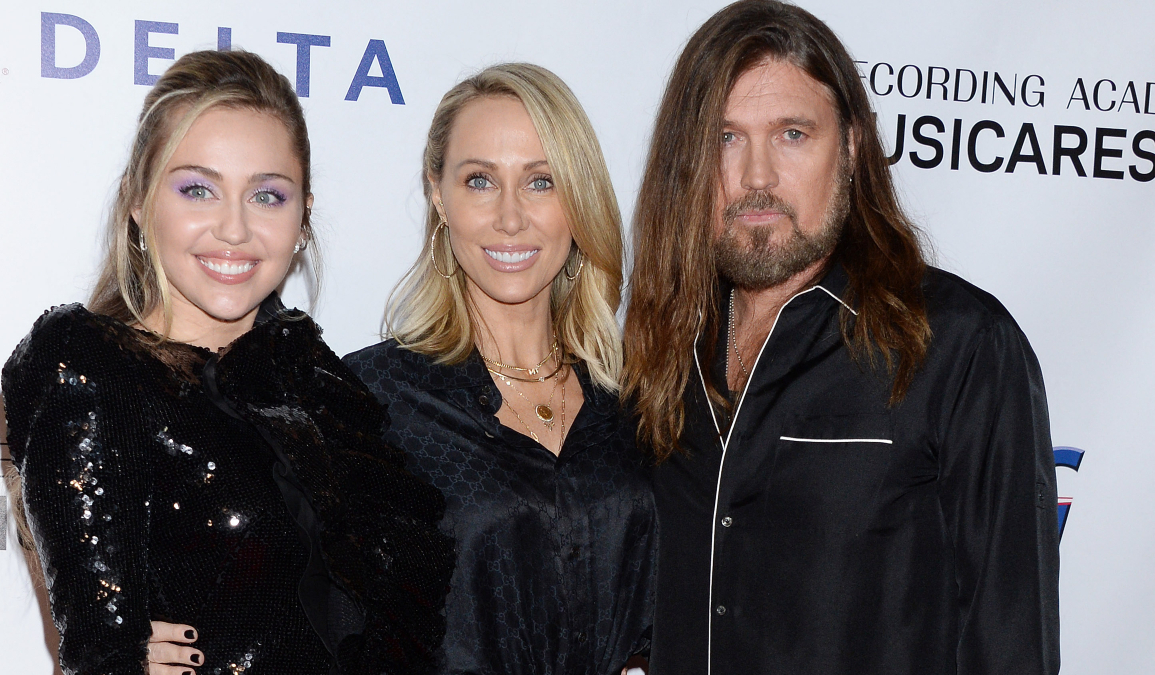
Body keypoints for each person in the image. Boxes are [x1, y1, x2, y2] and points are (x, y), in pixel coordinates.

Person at [622, 2, 1060, 674]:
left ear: (852, 147)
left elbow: (1010, 644)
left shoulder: (959, 345)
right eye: (725, 138)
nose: (757, 176)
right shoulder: (664, 347)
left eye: (792, 134)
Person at [2, 50, 454, 675]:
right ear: (137, 200)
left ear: (303, 216)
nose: (235, 229)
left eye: (267, 195)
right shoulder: (93, 370)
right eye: (198, 190)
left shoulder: (315, 379)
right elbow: (101, 646)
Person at [343, 63, 656, 675]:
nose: (510, 217)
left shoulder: (638, 401)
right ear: (439, 196)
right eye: (480, 180)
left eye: (541, 182)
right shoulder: (373, 400)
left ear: (578, 201)